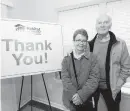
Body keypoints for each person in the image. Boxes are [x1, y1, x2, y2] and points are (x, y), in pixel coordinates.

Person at [89, 14, 130, 111]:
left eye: (105, 22)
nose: (102, 25)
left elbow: (126, 67)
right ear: (96, 26)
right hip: (93, 87)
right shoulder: (89, 44)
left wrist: (118, 84)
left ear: (110, 25)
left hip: (112, 88)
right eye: (100, 23)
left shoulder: (120, 43)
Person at [61, 29, 100, 111]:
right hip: (71, 100)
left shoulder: (93, 58)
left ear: (86, 43)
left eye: (84, 41)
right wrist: (74, 96)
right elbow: (65, 79)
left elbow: (94, 80)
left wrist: (81, 96)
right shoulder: (66, 59)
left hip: (87, 100)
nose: (81, 43)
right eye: (78, 40)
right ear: (74, 41)